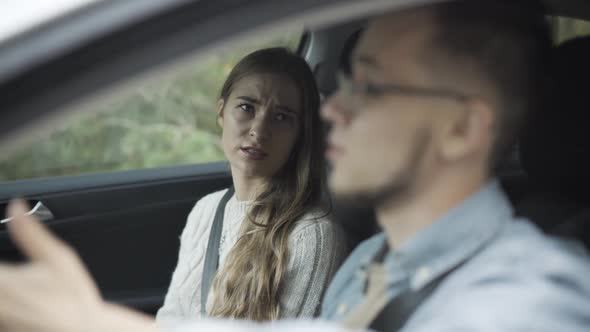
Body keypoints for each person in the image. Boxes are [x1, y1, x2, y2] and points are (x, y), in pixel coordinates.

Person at [2, 1, 590, 331]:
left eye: (372, 87)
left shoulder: (531, 297)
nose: (333, 107)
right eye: (346, 80)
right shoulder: (371, 264)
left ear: (462, 128)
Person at [155, 47, 346, 322]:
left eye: (281, 117)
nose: (259, 130)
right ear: (221, 112)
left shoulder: (311, 235)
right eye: (247, 108)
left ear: (300, 135)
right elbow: (168, 321)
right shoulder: (205, 211)